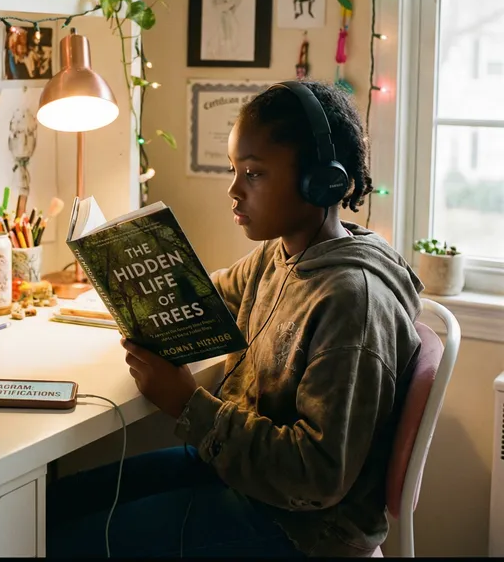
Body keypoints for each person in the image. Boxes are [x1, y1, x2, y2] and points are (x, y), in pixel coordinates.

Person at [47, 81, 422, 558]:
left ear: (319, 180)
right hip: (246, 482)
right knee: (53, 506)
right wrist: (141, 287)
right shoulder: (280, 254)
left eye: (254, 174)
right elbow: (213, 297)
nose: (234, 190)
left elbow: (315, 475)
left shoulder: (351, 303)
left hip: (304, 531)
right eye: (233, 170)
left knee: (58, 543)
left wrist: (187, 403)